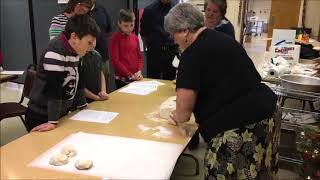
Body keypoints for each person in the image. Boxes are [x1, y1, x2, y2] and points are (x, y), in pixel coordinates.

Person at [165, 3, 280, 179]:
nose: (174, 40)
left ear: (185, 31)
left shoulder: (191, 54)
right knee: (259, 173)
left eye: (173, 35)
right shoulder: (221, 39)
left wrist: (173, 115)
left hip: (239, 128)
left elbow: (183, 114)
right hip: (267, 113)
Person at [26, 15, 100, 132]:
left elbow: (79, 83)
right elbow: (54, 89)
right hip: (42, 115)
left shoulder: (77, 51)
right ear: (74, 37)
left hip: (59, 113)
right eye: (89, 42)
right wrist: (52, 121)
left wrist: (82, 106)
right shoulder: (55, 52)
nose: (92, 46)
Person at [140, 0, 177, 80]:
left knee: (170, 82)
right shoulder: (149, 10)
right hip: (155, 52)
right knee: (152, 81)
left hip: (172, 52)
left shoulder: (176, 9)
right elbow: (144, 33)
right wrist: (151, 46)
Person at [109, 9, 144, 89]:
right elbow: (115, 61)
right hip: (122, 80)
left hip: (136, 77)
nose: (129, 28)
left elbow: (139, 57)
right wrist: (130, 75)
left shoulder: (135, 38)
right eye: (126, 26)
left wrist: (139, 71)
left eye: (131, 25)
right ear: (119, 23)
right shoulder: (115, 39)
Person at [89, 0, 112, 88]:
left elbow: (108, 30)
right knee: (89, 81)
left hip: (102, 53)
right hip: (85, 54)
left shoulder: (102, 9)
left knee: (105, 78)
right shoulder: (81, 11)